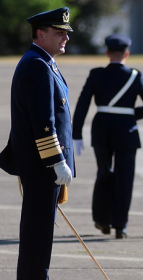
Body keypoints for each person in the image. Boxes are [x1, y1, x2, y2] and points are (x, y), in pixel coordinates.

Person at [0, 7, 75, 280]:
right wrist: (56, 160)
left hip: (42, 168)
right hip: (43, 168)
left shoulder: (44, 62)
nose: (65, 38)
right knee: (37, 241)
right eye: (59, 33)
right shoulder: (36, 64)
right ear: (40, 34)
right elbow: (43, 121)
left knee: (39, 239)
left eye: (67, 33)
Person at [72, 34, 143, 239]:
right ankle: (121, 226)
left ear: (107, 52)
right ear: (127, 53)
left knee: (103, 172)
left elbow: (82, 105)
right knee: (125, 178)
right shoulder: (135, 76)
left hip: (101, 128)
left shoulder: (96, 74)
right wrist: (130, 115)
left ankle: (102, 220)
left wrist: (76, 134)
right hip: (127, 131)